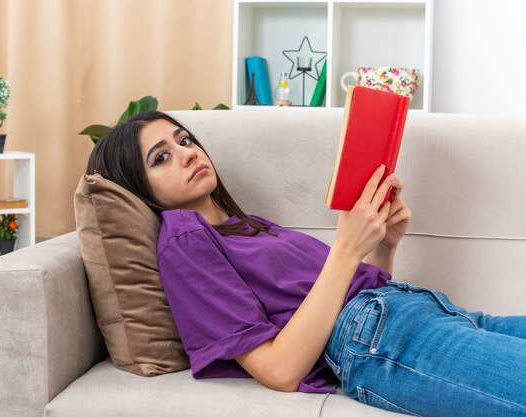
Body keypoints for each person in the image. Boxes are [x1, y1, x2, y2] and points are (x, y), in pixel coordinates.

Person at [86, 110, 526, 417]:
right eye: (160, 157)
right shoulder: (183, 237)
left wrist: (383, 245)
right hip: (385, 339)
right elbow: (279, 369)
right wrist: (346, 248)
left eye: (184, 140)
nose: (186, 153)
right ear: (139, 188)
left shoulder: (247, 226)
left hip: (430, 311)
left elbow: (342, 294)